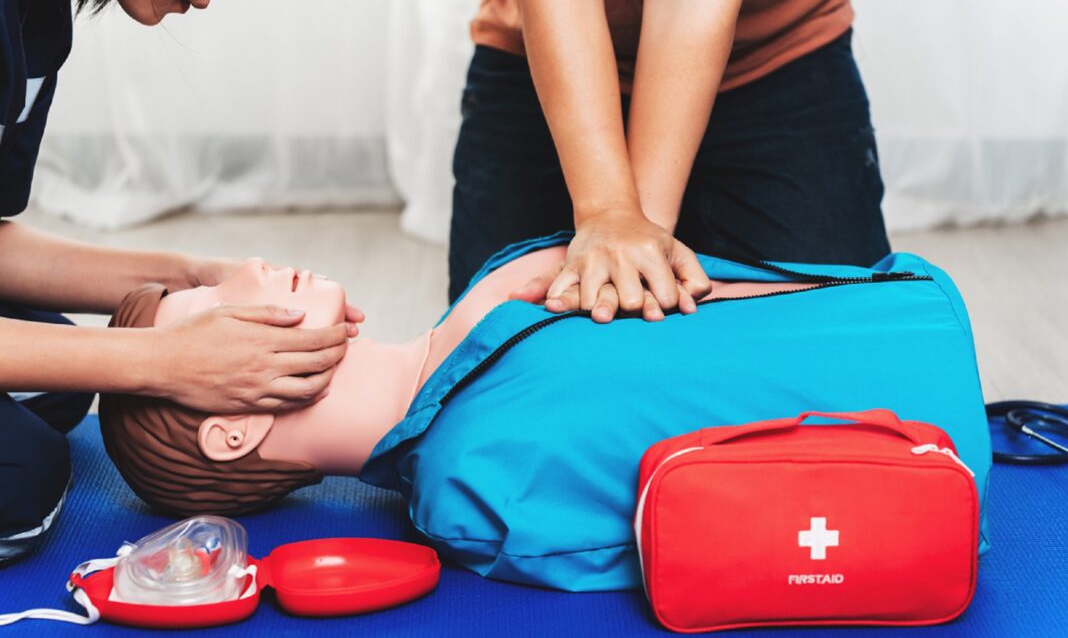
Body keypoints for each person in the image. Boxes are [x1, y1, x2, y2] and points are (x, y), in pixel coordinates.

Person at [98, 235, 992, 592]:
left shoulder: (490, 297)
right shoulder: (477, 487)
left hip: (908, 318)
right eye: (212, 310)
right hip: (922, 461)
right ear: (233, 430)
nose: (246, 267)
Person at [0, 0, 361, 563]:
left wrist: (190, 275)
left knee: (59, 381)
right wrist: (162, 360)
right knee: (18, 476)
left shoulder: (35, 15)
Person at [449, 0, 891, 325]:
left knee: (837, 348)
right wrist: (607, 214)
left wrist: (638, 243)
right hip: (542, 50)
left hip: (774, 49)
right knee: (491, 352)